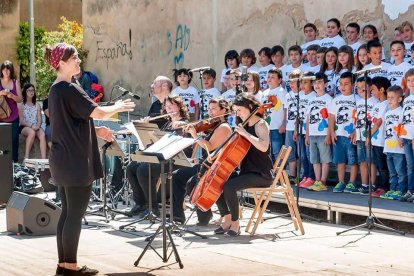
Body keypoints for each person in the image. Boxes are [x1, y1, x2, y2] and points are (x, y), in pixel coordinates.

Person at [45, 42, 135, 276]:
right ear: (62, 63)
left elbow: (68, 125)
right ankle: (70, 268)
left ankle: (64, 266)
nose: (78, 60)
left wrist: (96, 132)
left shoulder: (56, 89)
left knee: (67, 213)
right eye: (74, 57)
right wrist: (118, 105)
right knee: (74, 215)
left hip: (63, 158)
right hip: (74, 160)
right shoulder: (68, 88)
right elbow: (98, 111)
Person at [213, 93, 273, 236]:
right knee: (217, 181)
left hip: (261, 174)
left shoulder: (260, 124)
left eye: (240, 110)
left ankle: (235, 223)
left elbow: (264, 146)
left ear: (250, 107)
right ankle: (227, 219)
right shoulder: (244, 125)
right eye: (236, 111)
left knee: (229, 186)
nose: (237, 113)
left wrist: (245, 133)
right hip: (247, 171)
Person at [127, 94, 191, 218]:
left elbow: (183, 144)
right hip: (162, 157)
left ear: (179, 107)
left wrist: (179, 125)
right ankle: (141, 203)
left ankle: (153, 208)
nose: (169, 109)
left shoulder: (184, 123)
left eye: (172, 106)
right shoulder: (167, 124)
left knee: (144, 170)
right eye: (167, 107)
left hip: (176, 159)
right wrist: (144, 128)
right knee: (131, 167)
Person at [171, 97, 232, 224]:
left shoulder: (224, 127)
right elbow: (199, 129)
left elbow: (209, 147)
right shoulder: (212, 125)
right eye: (209, 109)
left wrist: (195, 135)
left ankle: (205, 214)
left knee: (191, 182)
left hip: (214, 167)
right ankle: (178, 216)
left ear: (224, 110)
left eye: (214, 109)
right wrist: (183, 125)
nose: (210, 112)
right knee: (176, 176)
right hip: (204, 164)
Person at [329, 72, 358, 193]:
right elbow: (331, 117)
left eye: (346, 84)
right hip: (338, 134)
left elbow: (360, 117)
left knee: (352, 160)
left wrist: (356, 131)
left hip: (350, 135)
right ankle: (341, 182)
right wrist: (331, 132)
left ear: (353, 84)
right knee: (339, 160)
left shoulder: (357, 99)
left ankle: (352, 182)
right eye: (341, 84)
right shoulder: (336, 100)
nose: (343, 86)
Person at [305, 73, 332, 191]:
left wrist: (329, 135)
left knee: (325, 158)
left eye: (320, 82)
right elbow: (308, 118)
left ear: (325, 84)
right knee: (314, 159)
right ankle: (317, 180)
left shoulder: (329, 99)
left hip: (323, 134)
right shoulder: (310, 100)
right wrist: (307, 135)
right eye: (315, 83)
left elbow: (331, 118)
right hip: (312, 134)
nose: (317, 85)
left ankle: (323, 181)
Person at [351, 77, 378, 194]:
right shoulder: (358, 102)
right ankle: (364, 184)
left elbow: (376, 120)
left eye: (364, 87)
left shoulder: (375, 102)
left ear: (370, 87)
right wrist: (354, 133)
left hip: (370, 136)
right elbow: (356, 120)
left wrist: (370, 136)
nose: (361, 89)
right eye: (358, 87)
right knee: (362, 160)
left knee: (370, 160)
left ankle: (372, 184)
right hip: (360, 135)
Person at [379, 85, 407, 200]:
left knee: (400, 170)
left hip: (398, 148)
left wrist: (401, 138)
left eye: (392, 97)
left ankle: (400, 190)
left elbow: (403, 126)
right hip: (388, 147)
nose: (389, 100)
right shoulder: (387, 113)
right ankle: (392, 189)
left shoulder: (401, 111)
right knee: (392, 171)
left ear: (399, 99)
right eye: (388, 97)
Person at [369, 77, 391, 197]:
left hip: (381, 140)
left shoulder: (386, 104)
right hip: (375, 140)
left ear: (382, 89)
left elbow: (378, 123)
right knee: (379, 164)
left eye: (373, 89)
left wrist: (368, 136)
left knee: (383, 166)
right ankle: (381, 185)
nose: (371, 91)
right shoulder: (377, 104)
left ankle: (384, 187)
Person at [280, 69, 301, 183]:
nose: (291, 84)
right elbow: (286, 110)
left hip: (299, 128)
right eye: (290, 82)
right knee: (290, 151)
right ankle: (293, 176)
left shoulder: (302, 95)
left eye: (294, 81)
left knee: (301, 152)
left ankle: (301, 175)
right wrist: (283, 123)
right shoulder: (288, 95)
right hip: (289, 127)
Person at [295, 72, 316, 187]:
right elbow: (298, 114)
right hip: (299, 129)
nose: (303, 85)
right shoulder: (300, 95)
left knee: (309, 155)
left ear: (312, 83)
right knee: (302, 155)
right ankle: (305, 175)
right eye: (302, 82)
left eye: (306, 82)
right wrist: (295, 130)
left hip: (309, 131)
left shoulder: (313, 96)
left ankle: (311, 176)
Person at [0, 60, 22, 162]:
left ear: (11, 70)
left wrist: (11, 96)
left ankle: (15, 162)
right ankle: (3, 163)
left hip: (14, 117)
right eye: (4, 69)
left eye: (8, 69)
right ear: (1, 71)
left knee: (14, 139)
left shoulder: (15, 82)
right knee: (2, 140)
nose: (6, 71)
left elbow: (20, 99)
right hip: (1, 116)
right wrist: (2, 93)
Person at [18, 84, 47, 160]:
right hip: (25, 126)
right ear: (25, 91)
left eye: (33, 90)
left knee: (43, 135)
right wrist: (31, 126)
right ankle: (26, 158)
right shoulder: (21, 105)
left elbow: (39, 118)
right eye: (29, 90)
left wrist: (38, 125)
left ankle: (44, 160)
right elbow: (21, 121)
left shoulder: (37, 104)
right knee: (31, 132)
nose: (31, 92)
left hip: (35, 126)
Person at [263, 67, 286, 162]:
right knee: (268, 152)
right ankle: (270, 174)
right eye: (268, 77)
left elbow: (286, 108)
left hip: (276, 127)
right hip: (265, 128)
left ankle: (279, 174)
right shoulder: (264, 93)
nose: (269, 79)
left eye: (273, 77)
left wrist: (284, 124)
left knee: (277, 152)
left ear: (279, 80)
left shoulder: (282, 91)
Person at [399, 69, 414, 202]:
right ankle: (410, 190)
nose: (411, 83)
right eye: (409, 80)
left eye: (413, 80)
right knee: (410, 165)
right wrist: (400, 135)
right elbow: (404, 118)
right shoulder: (407, 99)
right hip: (406, 136)